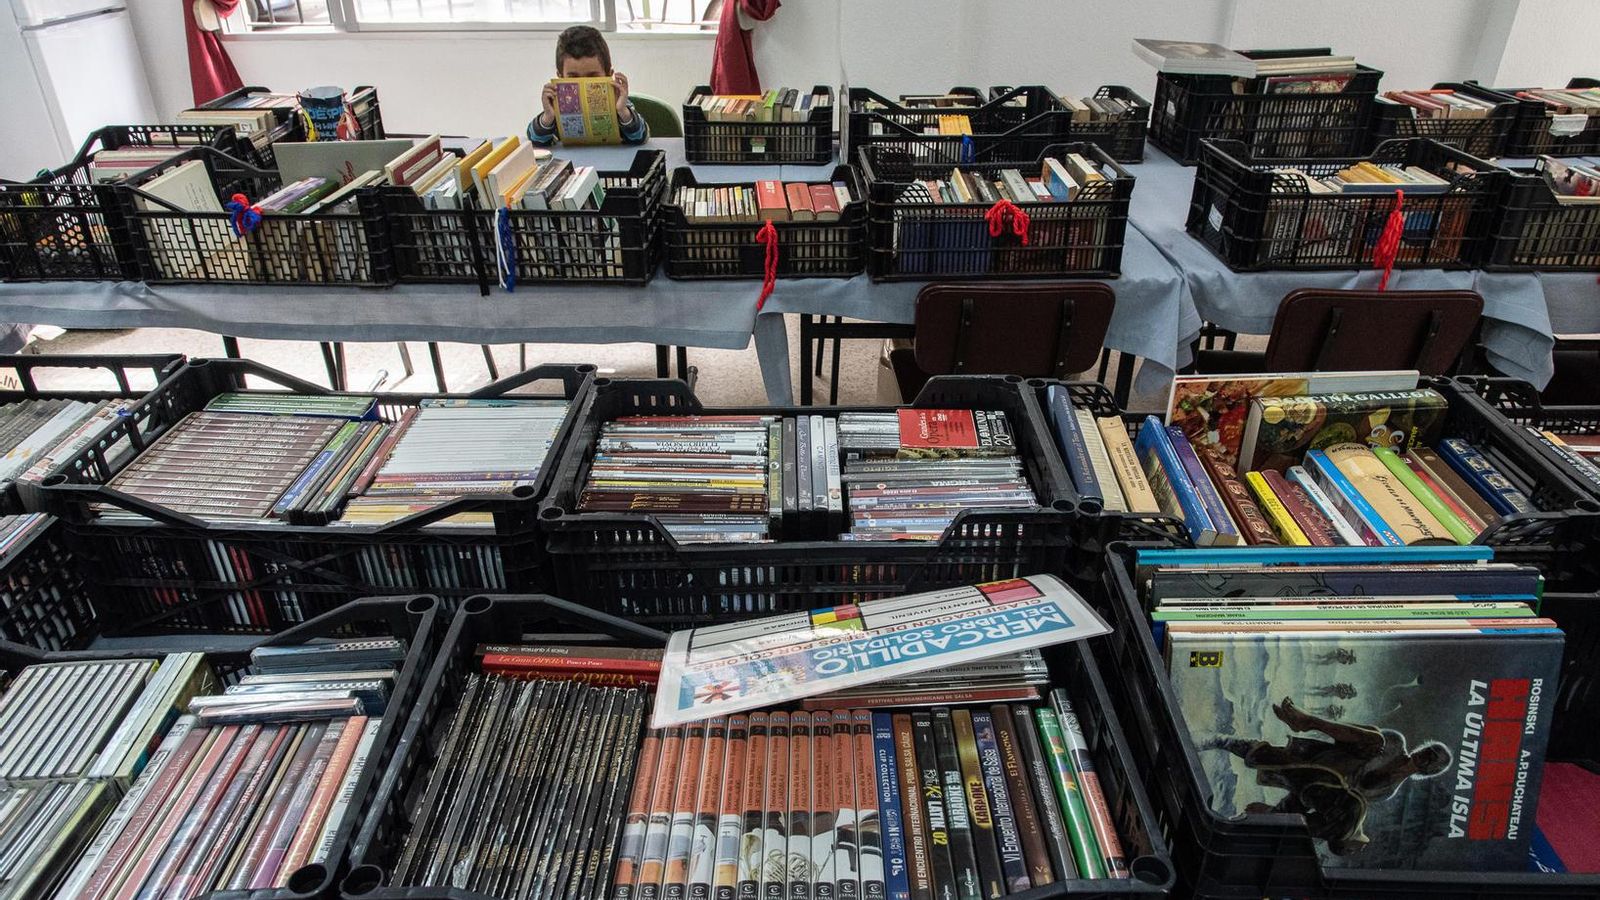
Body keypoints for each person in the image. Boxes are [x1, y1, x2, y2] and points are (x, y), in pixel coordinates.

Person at [1202, 696, 1452, 856]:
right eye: (1428, 751)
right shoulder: (1396, 742)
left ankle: (1220, 830)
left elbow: (1335, 810)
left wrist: (1271, 814)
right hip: (1320, 761)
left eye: (1430, 760)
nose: (1424, 756)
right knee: (1376, 739)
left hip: (1315, 790)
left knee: (1347, 806)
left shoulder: (1388, 791)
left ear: (1430, 770)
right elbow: (1354, 738)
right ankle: (1307, 721)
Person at [528, 25, 649, 146]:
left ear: (609, 75)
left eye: (592, 76)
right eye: (573, 77)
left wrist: (623, 112)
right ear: (560, 77)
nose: (583, 86)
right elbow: (535, 140)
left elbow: (640, 137)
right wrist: (547, 117)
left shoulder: (618, 102)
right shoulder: (557, 106)